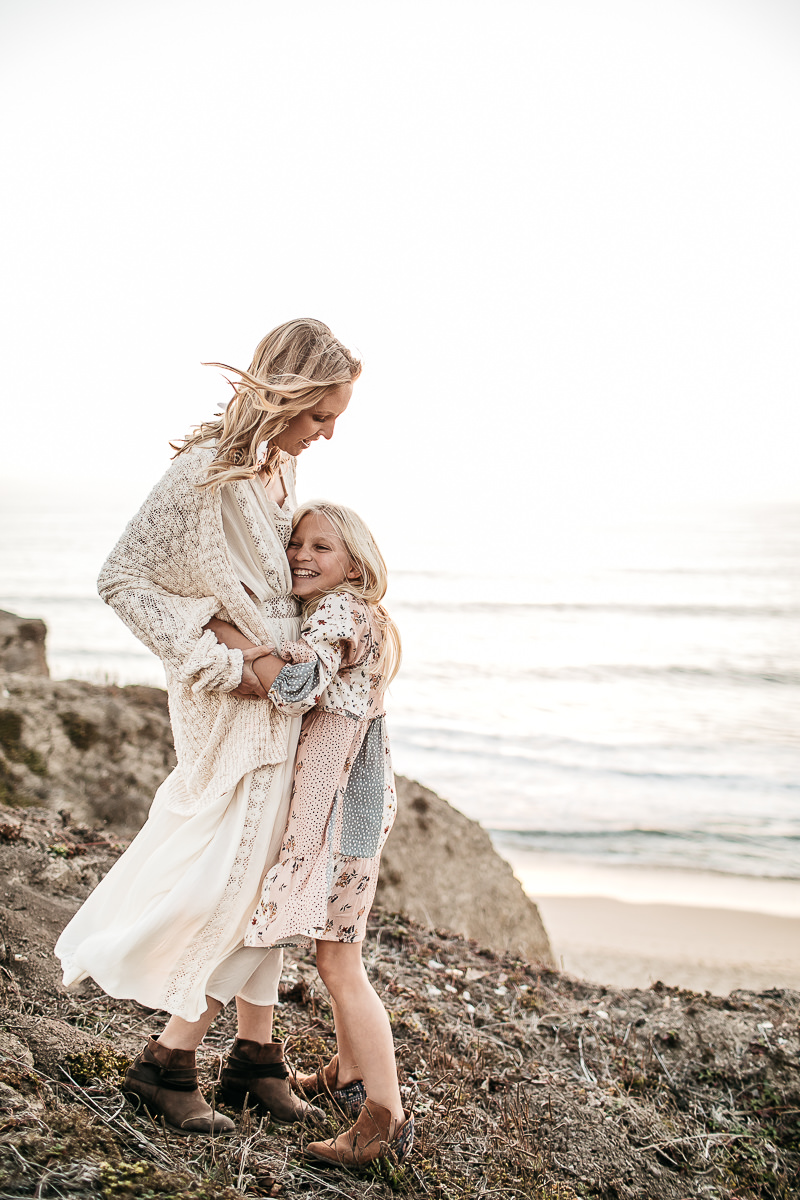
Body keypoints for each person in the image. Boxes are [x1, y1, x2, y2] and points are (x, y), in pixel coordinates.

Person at [54, 319, 361, 1135]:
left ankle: (254, 1060)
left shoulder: (278, 468)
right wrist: (228, 655)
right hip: (231, 706)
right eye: (319, 413)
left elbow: (270, 587)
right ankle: (166, 1064)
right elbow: (125, 580)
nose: (328, 431)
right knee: (235, 876)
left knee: (274, 872)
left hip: (287, 698)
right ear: (284, 395)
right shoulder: (203, 474)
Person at [206, 501, 413, 1167]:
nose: (301, 554)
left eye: (321, 547)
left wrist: (232, 642)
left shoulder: (338, 611)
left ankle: (383, 1118)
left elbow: (297, 687)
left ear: (355, 562)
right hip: (362, 806)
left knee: (339, 963)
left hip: (340, 816)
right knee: (336, 951)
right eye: (296, 542)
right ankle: (349, 1076)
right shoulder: (368, 616)